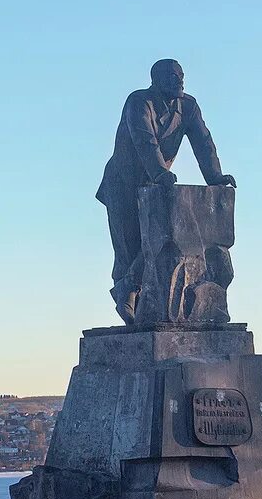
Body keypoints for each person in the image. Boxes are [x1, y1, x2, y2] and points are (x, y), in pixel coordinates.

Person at [95, 59, 236, 323]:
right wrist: (160, 173)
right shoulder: (139, 102)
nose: (179, 80)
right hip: (123, 183)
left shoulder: (188, 106)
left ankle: (132, 292)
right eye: (172, 76)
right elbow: (144, 139)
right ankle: (127, 295)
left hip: (156, 185)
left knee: (163, 237)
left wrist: (215, 177)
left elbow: (203, 142)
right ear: (155, 80)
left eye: (181, 75)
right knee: (129, 244)